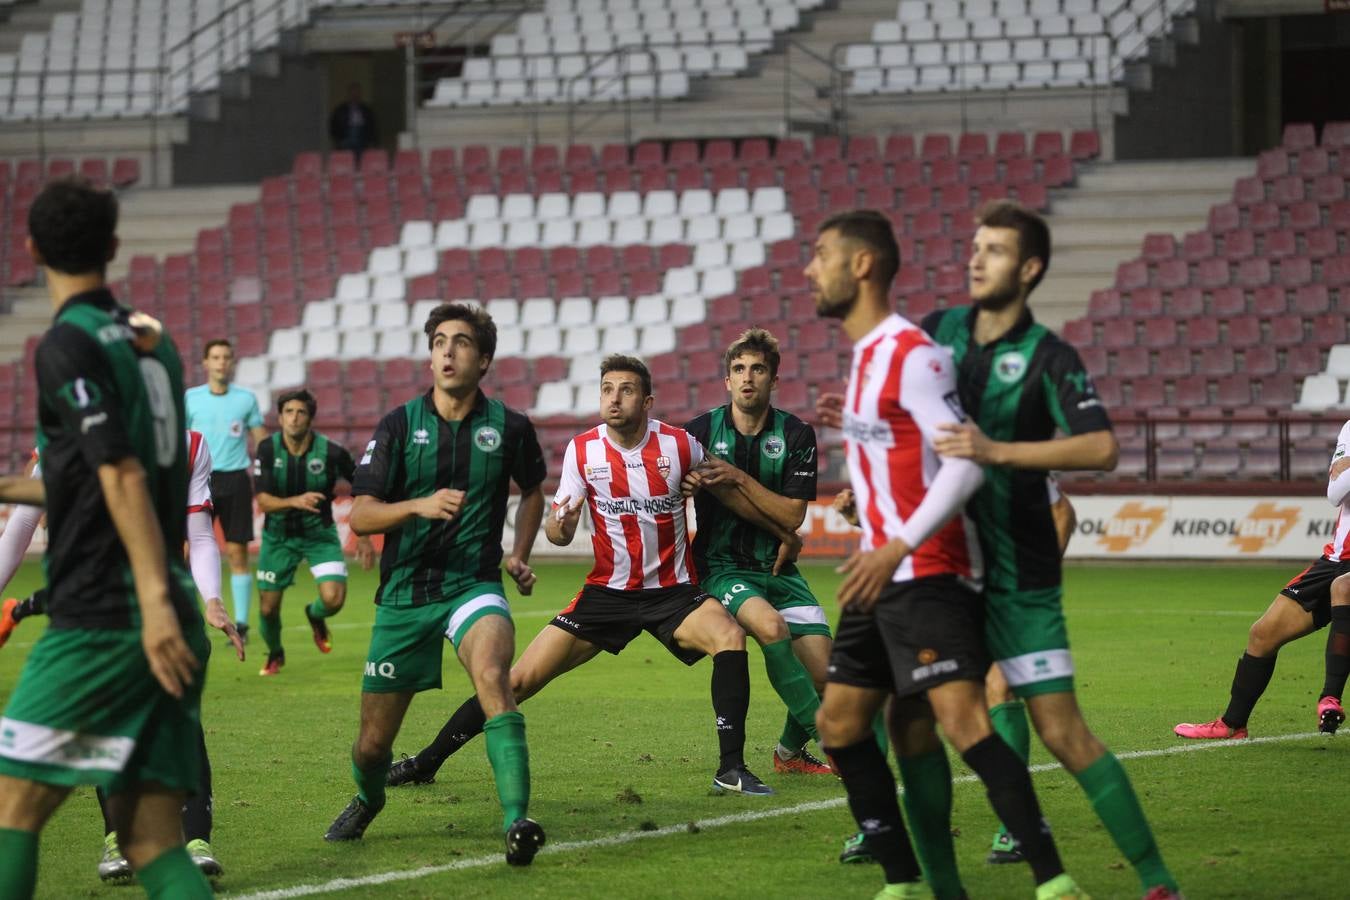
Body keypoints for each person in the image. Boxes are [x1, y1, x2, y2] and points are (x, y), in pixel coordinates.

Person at [808, 208, 1086, 900]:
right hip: (878, 577)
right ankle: (906, 882)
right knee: (840, 725)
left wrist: (898, 541)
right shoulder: (867, 357)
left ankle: (1054, 881)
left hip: (927, 573)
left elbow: (964, 466)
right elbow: (904, 459)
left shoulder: (913, 353)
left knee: (962, 721)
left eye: (821, 255)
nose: (810, 269)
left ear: (862, 265)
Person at [916, 200, 1178, 899]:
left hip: (1022, 577)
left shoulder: (1051, 357)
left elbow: (1102, 447)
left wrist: (999, 450)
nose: (976, 258)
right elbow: (898, 405)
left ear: (1029, 269)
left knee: (1065, 733)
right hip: (944, 573)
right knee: (907, 722)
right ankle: (933, 881)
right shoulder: (937, 330)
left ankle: (1157, 883)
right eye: (974, 245)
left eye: (994, 250)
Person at [383, 355, 770, 799]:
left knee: (729, 636)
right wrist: (560, 525)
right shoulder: (582, 450)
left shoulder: (681, 445)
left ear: (647, 401)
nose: (614, 398)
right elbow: (558, 530)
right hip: (607, 594)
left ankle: (731, 767)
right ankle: (426, 761)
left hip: (674, 592)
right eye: (607, 389)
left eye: (625, 390)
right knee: (517, 681)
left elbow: (720, 485)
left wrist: (705, 488)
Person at [0, 176, 212, 899]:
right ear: (114, 248)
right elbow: (130, 472)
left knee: (12, 811)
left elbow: (119, 472)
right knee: (153, 840)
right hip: (163, 600)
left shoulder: (66, 343)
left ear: (29, 249)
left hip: (105, 613)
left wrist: (148, 600)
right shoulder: (155, 343)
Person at [323, 303, 548, 867]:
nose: (447, 351)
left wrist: (518, 554)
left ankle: (517, 820)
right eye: (439, 342)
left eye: (462, 342)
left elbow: (534, 491)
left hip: (473, 585)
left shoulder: (511, 426)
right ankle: (368, 798)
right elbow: (362, 516)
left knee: (494, 677)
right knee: (373, 746)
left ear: (485, 359)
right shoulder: (400, 425)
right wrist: (418, 506)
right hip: (405, 594)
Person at [0, 431, 243, 883]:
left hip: (127, 614)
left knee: (153, 726)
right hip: (124, 610)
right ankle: (135, 840)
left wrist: (213, 598)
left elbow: (199, 534)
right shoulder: (69, 439)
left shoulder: (185, 444)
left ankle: (179, 838)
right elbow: (21, 526)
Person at [681, 327, 833, 776]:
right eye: (739, 369)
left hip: (780, 568)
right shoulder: (699, 433)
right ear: (727, 380)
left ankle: (787, 754)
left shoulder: (798, 434)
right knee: (770, 627)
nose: (748, 377)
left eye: (758, 369)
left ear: (774, 379)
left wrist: (737, 477)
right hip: (723, 567)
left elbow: (791, 516)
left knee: (827, 676)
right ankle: (835, 741)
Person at [1176, 417, 1350, 739]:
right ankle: (1232, 724)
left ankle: (1330, 699)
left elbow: (1344, 479)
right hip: (1335, 558)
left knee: (1345, 587)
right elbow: (1334, 492)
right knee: (1262, 634)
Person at [252, 388, 375, 677]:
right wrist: (296, 501)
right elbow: (264, 500)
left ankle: (315, 615)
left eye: (301, 412)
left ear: (310, 418)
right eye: (288, 412)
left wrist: (366, 535)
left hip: (319, 535)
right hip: (278, 537)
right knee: (268, 609)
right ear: (280, 418)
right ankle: (275, 653)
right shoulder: (268, 449)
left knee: (333, 599)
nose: (294, 418)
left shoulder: (332, 452)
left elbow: (363, 488)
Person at [185, 339, 266, 642]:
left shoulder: (245, 399)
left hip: (234, 479)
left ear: (232, 362)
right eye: (215, 357)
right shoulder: (190, 398)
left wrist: (266, 468)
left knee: (237, 553)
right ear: (205, 363)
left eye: (226, 357)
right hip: (196, 479)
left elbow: (261, 438)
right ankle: (191, 616)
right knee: (186, 550)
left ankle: (241, 624)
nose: (221, 362)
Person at [328, 83, 378, 159]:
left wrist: (373, 142)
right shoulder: (340, 110)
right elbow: (333, 125)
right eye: (353, 93)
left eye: (357, 93)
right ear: (349, 94)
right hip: (346, 140)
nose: (355, 95)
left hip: (363, 140)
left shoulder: (367, 110)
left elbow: (373, 127)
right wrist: (338, 140)